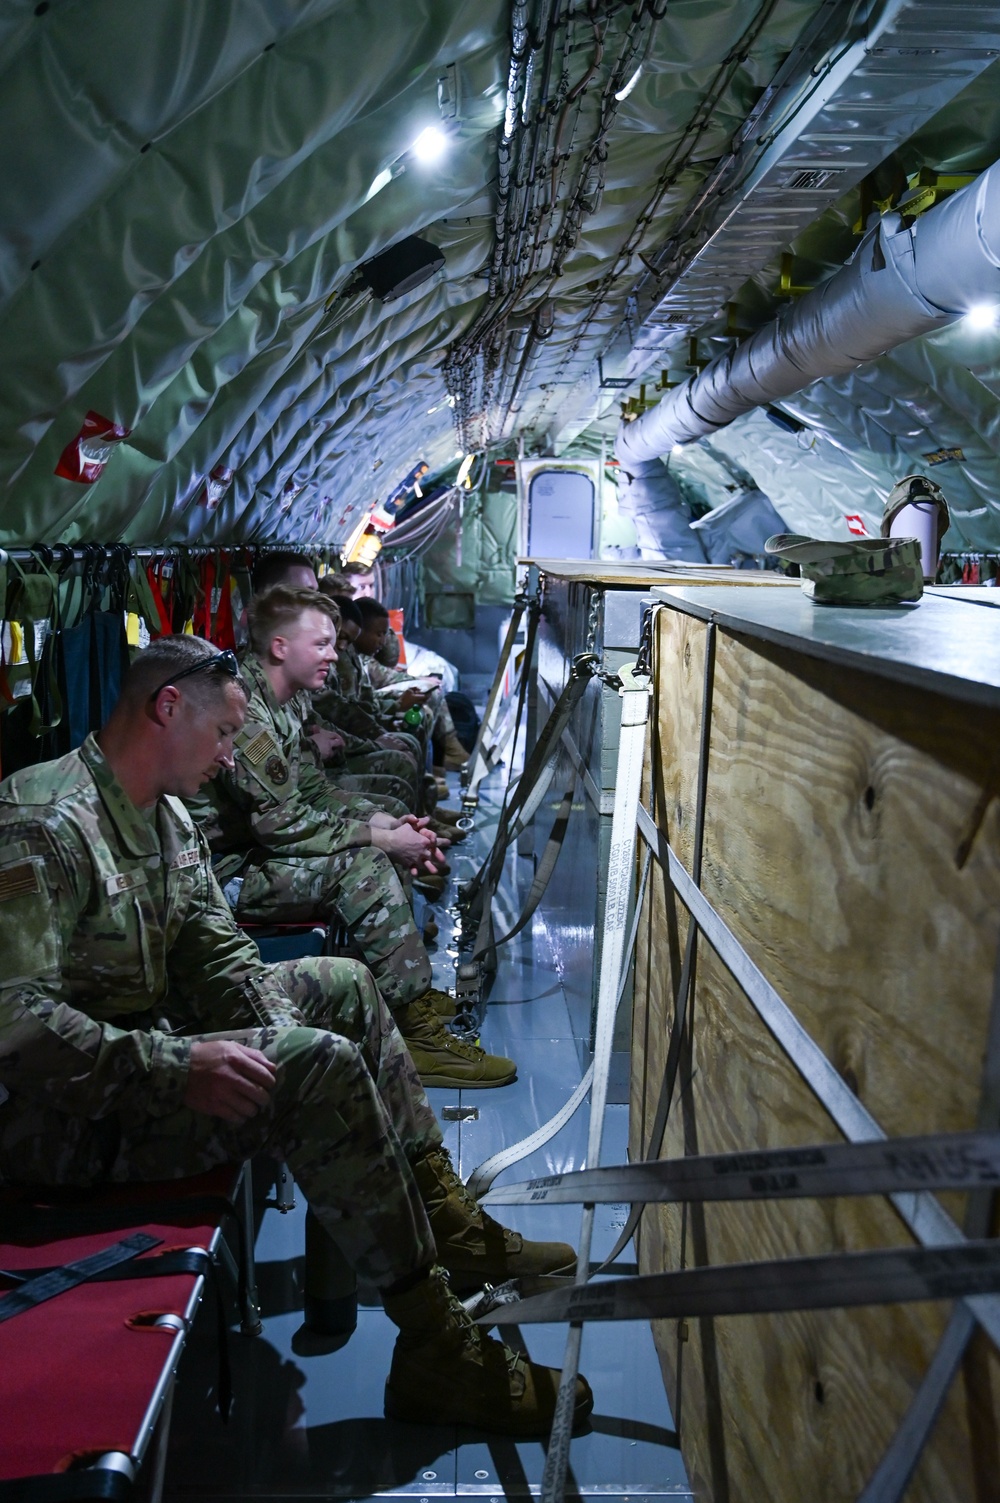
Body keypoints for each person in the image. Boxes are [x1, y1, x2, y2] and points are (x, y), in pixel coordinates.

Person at [0, 635, 588, 1435]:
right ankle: (435, 1348)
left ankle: (441, 1220)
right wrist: (183, 1067)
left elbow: (220, 957)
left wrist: (271, 1040)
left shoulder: (166, 818)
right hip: (60, 1124)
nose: (231, 756)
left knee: (340, 990)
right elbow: (18, 1028)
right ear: (167, 709)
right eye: (223, 735)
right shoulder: (44, 820)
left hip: (143, 1063)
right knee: (317, 1066)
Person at [189, 587, 517, 1089]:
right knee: (362, 865)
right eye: (320, 644)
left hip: (258, 850)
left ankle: (405, 994)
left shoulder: (287, 701)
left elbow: (314, 790)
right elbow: (281, 825)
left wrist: (382, 823)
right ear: (280, 647)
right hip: (224, 874)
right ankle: (417, 1035)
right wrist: (378, 841)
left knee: (382, 825)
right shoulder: (249, 713)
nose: (334, 653)